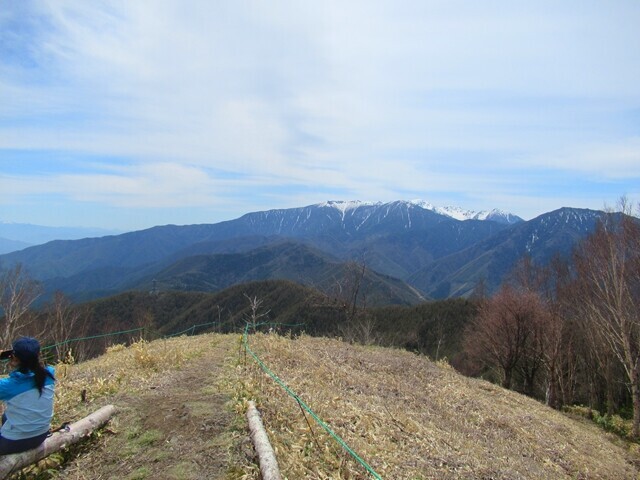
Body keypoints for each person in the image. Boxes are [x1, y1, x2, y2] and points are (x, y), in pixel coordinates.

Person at [0, 337, 55, 454]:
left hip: (13, 442)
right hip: (41, 435)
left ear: (14, 358)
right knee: (5, 416)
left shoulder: (9, 386)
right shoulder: (49, 374)